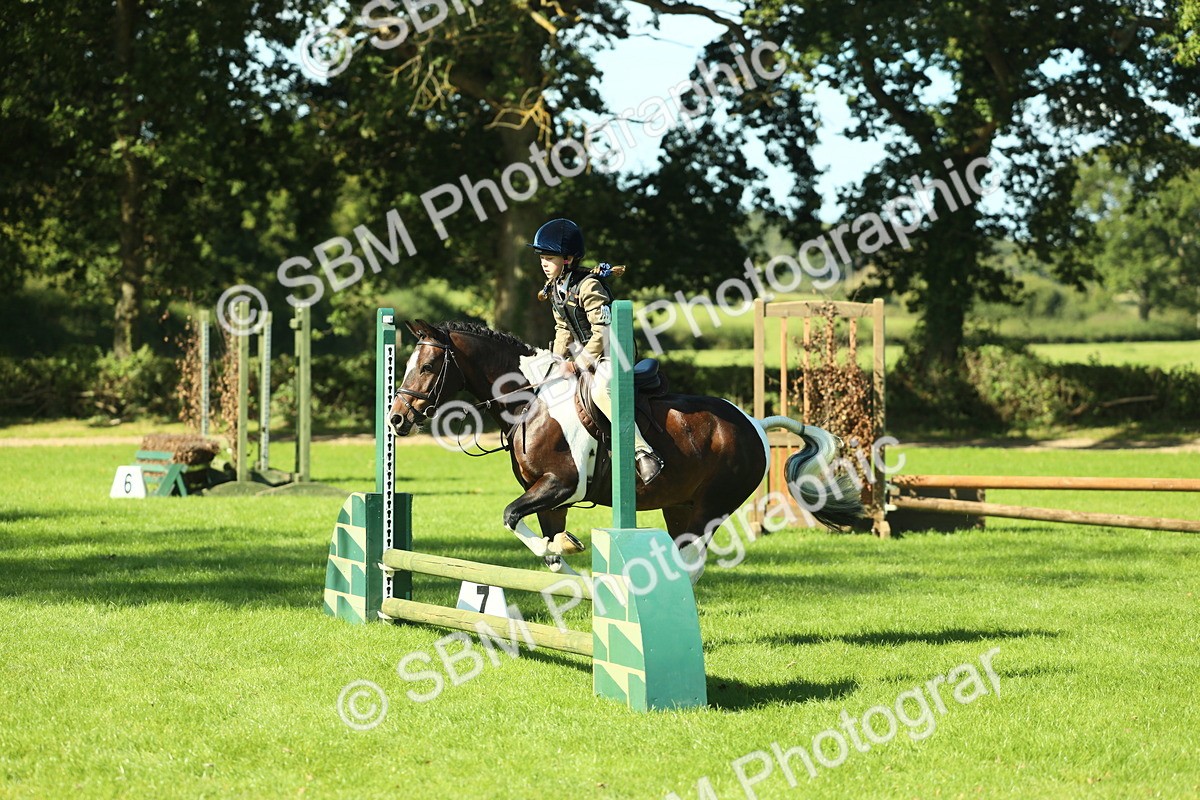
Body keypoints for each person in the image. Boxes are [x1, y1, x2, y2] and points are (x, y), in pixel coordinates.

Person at [527, 217, 664, 485]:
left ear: (567, 259)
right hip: (585, 356)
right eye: (542, 257)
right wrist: (555, 361)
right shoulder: (556, 288)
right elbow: (563, 330)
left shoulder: (589, 286)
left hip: (613, 355)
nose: (544, 263)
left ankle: (643, 452)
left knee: (602, 390)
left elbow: (601, 332)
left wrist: (577, 364)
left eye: (549, 258)